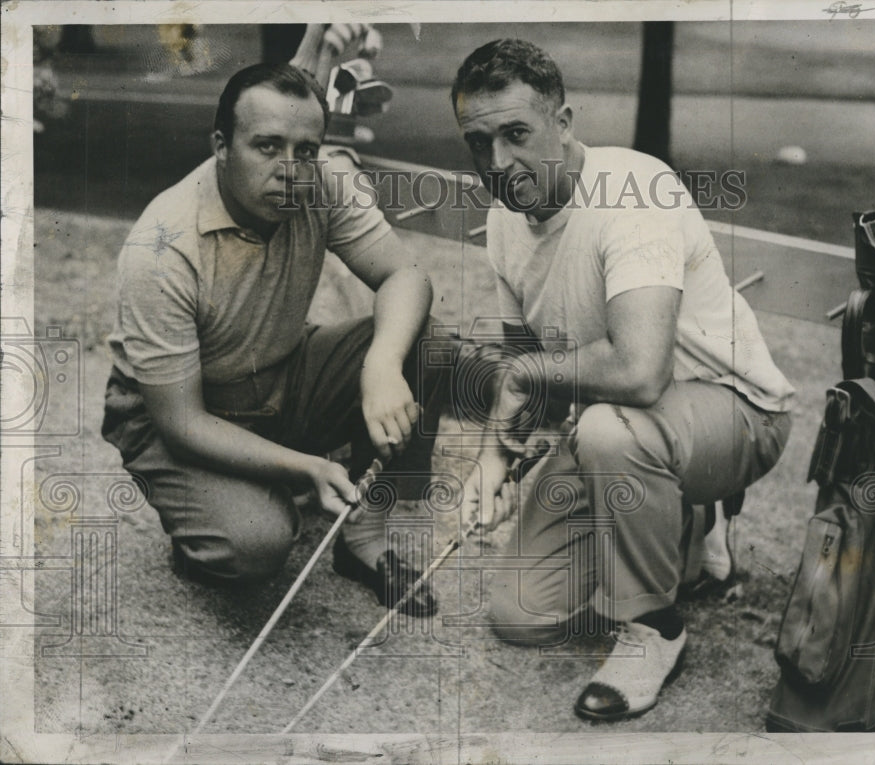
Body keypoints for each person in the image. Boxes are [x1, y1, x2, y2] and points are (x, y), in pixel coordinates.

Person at [452, 39, 795, 721]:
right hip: (633, 426)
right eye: (478, 141)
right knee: (522, 613)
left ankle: (656, 625)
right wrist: (496, 459)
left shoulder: (632, 192)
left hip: (736, 412)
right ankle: (687, 523)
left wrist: (524, 385)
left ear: (565, 121)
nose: (497, 162)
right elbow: (538, 381)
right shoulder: (501, 219)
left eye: (516, 133)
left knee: (609, 430)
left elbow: (639, 372)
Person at [102, 62, 441, 616]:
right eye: (267, 146)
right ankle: (207, 535)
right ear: (222, 146)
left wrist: (382, 364)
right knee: (256, 543)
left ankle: (363, 538)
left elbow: (407, 276)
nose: (291, 170)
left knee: (425, 340)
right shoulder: (160, 249)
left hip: (279, 374)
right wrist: (303, 468)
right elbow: (181, 422)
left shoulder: (320, 182)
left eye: (305, 149)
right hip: (183, 414)